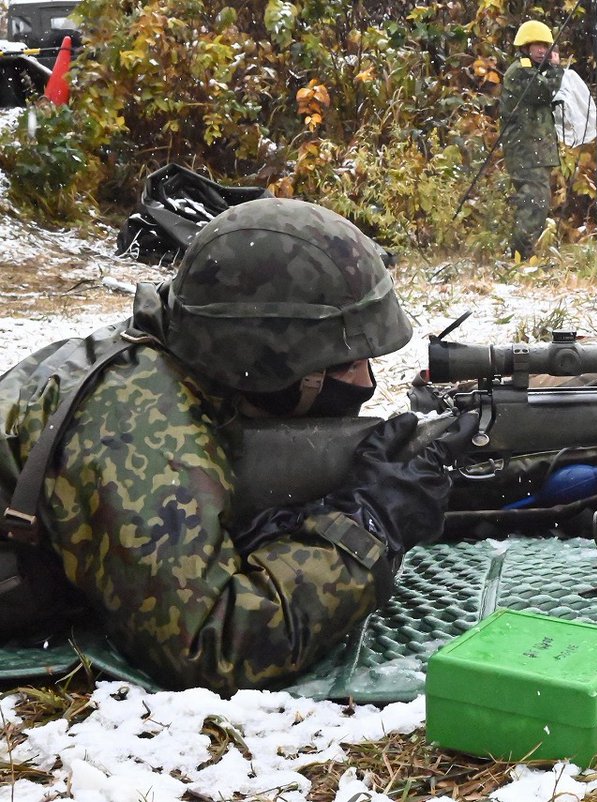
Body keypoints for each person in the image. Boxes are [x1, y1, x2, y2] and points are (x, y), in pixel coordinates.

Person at [0, 198, 477, 693]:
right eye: (344, 365)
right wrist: (368, 525)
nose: (365, 382)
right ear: (268, 364)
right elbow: (214, 645)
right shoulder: (140, 425)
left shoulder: (190, 360)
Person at [499, 19, 565, 261]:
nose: (542, 50)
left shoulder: (534, 72)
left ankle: (523, 255)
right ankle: (518, 257)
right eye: (536, 45)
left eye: (546, 46)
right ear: (525, 48)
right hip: (526, 152)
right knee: (534, 201)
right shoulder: (519, 73)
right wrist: (556, 70)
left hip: (535, 151)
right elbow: (544, 92)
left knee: (538, 200)